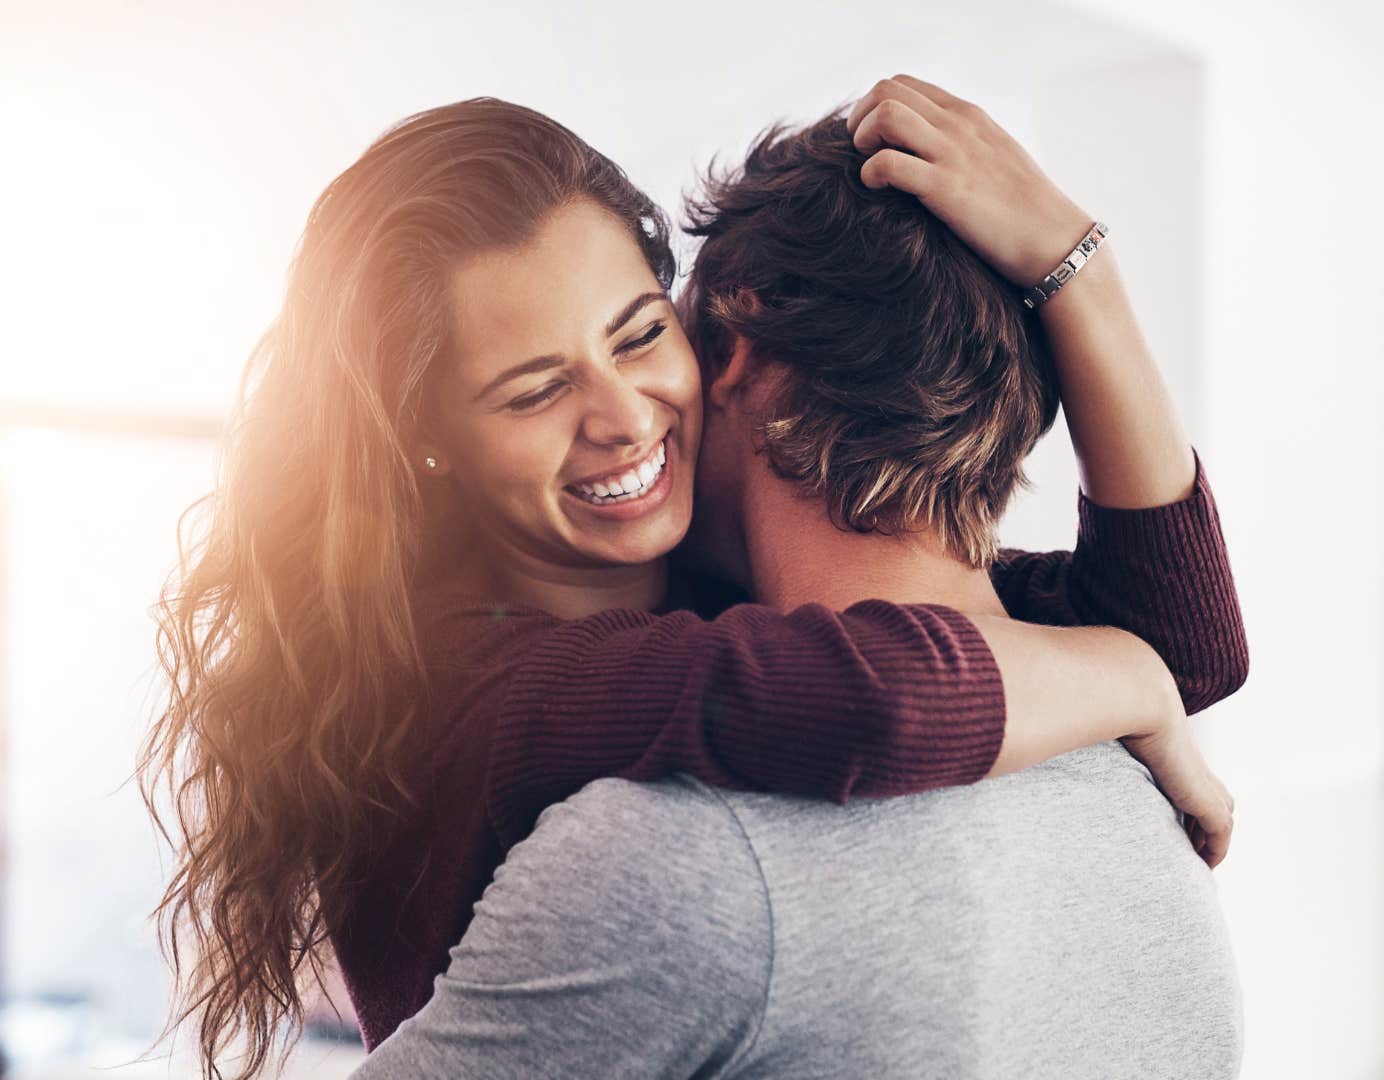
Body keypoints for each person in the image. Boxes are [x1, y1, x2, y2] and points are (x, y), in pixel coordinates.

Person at [138, 79, 1245, 1080]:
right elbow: (888, 696)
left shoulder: (715, 599)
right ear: (427, 439)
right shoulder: (472, 684)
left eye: (638, 335)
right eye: (533, 392)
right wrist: (1129, 684)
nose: (624, 420)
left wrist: (1080, 277)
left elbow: (1187, 641)